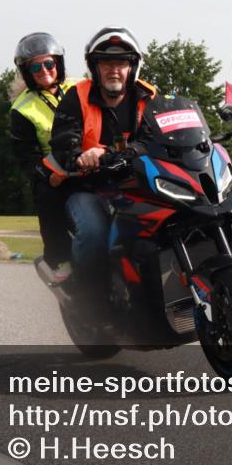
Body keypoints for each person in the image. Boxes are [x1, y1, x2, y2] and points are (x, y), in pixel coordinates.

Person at [45, 26, 159, 296]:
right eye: (106, 62)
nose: (114, 69)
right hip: (88, 187)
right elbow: (63, 144)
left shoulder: (149, 97)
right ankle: (90, 302)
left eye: (121, 63)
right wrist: (79, 157)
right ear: (94, 67)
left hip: (139, 184)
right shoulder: (77, 96)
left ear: (133, 67)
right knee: (95, 233)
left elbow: (160, 136)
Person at [9, 32, 74, 280]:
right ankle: (59, 260)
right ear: (27, 72)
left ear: (58, 63)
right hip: (55, 167)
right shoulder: (22, 108)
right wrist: (49, 174)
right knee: (46, 195)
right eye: (35, 66)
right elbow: (26, 157)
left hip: (92, 158)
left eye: (48, 63)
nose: (44, 70)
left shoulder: (81, 87)